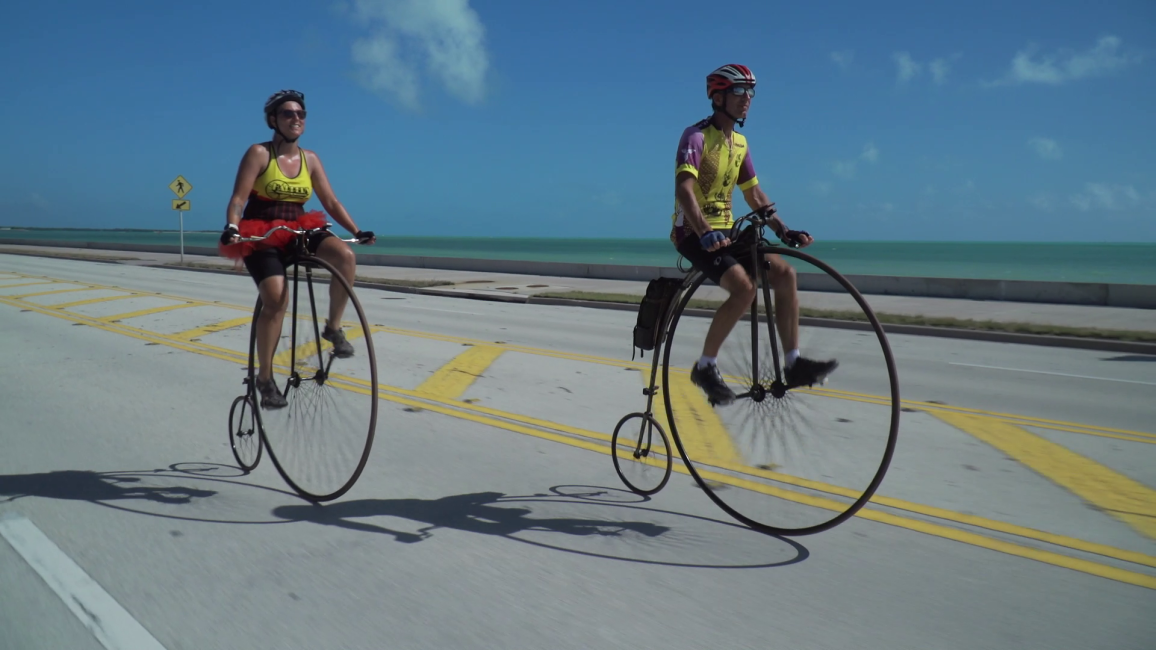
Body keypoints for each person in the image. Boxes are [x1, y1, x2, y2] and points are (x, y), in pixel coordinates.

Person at [670, 64, 837, 406]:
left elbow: (755, 195)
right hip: (693, 232)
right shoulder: (696, 136)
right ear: (718, 97)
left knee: (786, 273)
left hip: (727, 232)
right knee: (744, 288)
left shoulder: (740, 144)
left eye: (750, 93)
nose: (747, 99)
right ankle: (706, 367)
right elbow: (685, 191)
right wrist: (703, 233)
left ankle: (794, 363)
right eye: (738, 92)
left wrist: (784, 229)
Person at [219, 89, 376, 409]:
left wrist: (357, 231)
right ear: (273, 120)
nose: (296, 119)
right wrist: (233, 226)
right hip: (261, 231)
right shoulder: (259, 153)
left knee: (345, 257)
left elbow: (330, 201)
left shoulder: (311, 159)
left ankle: (332, 329)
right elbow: (238, 198)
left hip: (299, 227)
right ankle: (265, 378)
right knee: (276, 298)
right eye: (289, 114)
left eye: (301, 114)